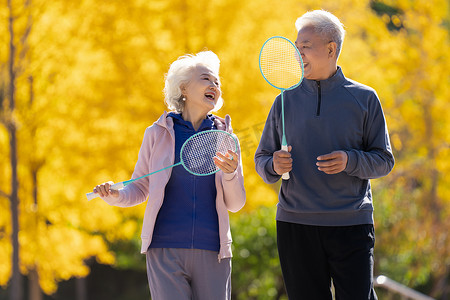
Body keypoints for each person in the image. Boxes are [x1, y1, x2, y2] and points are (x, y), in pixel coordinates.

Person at [254, 10, 394, 299]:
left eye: (304, 46)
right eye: (296, 46)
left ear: (331, 49)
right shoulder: (284, 100)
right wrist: (274, 165)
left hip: (351, 223)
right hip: (295, 224)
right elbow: (262, 160)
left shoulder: (365, 98)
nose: (297, 52)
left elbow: (384, 160)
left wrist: (349, 160)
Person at [93, 51, 246, 300]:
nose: (214, 86)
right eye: (206, 79)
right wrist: (115, 194)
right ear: (183, 88)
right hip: (164, 250)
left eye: (217, 82)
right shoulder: (157, 133)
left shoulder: (226, 137)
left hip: (213, 251)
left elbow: (236, 204)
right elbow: (140, 187)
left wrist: (230, 175)